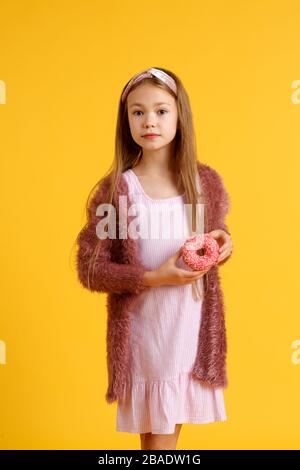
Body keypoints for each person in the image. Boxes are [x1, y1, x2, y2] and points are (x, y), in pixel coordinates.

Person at [75, 67, 233, 450]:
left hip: (189, 330)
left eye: (162, 111)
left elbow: (210, 236)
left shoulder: (203, 183)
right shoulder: (117, 192)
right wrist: (152, 278)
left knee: (159, 441)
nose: (150, 121)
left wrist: (224, 241)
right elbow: (91, 267)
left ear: (180, 116)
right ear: (125, 119)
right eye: (138, 112)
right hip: (146, 334)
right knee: (158, 441)